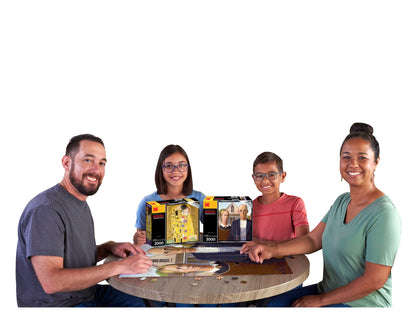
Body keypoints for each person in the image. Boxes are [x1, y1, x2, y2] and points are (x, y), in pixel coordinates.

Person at [242, 123, 401, 307]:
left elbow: (374, 280)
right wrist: (272, 249)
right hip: (328, 289)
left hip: (363, 303)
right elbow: (312, 240)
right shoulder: (342, 202)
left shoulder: (384, 214)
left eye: (362, 157)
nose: (353, 164)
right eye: (346, 157)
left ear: (376, 162)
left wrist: (320, 301)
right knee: (269, 305)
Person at [16, 134, 152, 307]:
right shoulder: (45, 210)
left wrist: (108, 248)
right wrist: (119, 266)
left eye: (102, 163)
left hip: (86, 293)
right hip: (59, 305)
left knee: (149, 300)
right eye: (88, 160)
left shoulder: (78, 202)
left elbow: (73, 259)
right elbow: (52, 282)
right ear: (66, 163)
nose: (96, 170)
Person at [134, 144, 205, 245]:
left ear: (188, 168)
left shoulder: (199, 198)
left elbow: (213, 234)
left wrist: (196, 236)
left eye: (181, 165)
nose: (176, 171)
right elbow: (141, 243)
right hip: (160, 253)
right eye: (169, 166)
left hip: (191, 252)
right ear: (161, 169)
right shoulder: (147, 202)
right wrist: (138, 240)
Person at [249, 151, 309, 243]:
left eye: (271, 175)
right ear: (254, 178)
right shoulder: (248, 208)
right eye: (259, 176)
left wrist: (266, 246)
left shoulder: (295, 203)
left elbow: (304, 242)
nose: (265, 180)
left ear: (282, 176)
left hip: (288, 253)